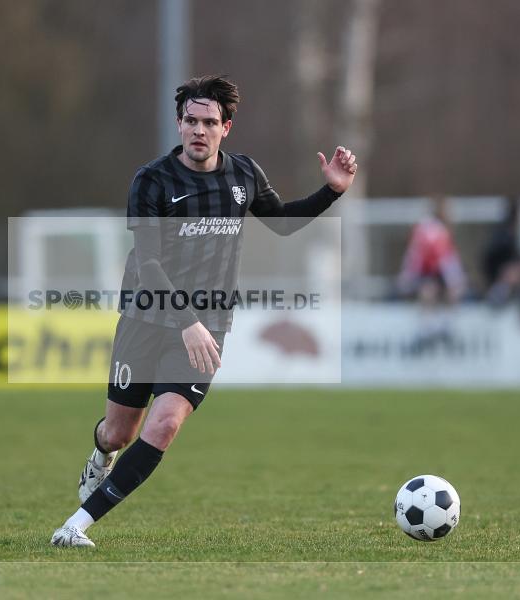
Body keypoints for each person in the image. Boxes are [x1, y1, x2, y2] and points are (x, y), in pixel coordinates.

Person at [50, 75, 358, 547]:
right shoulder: (151, 180)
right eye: (191, 120)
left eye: (209, 122)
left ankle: (77, 525)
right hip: (145, 319)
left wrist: (331, 191)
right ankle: (100, 454)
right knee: (117, 433)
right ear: (178, 123)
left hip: (208, 325)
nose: (199, 130)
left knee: (166, 423)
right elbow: (148, 263)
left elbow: (281, 225)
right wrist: (186, 321)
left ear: (226, 127)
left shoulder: (244, 175)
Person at [396, 196, 466, 305]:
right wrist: (407, 279)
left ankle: (443, 316)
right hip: (426, 273)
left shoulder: (436, 230)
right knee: (429, 290)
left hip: (434, 274)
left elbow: (448, 258)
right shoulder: (433, 231)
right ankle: (432, 319)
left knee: (445, 290)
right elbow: (441, 259)